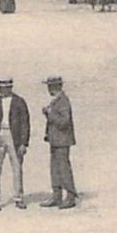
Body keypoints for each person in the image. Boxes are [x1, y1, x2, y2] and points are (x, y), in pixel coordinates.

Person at [0, 77, 29, 211]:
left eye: (5, 88)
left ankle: (19, 198)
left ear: (10, 88)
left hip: (14, 138)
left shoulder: (19, 102)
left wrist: (23, 144)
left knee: (17, 168)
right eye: (1, 88)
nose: (2, 91)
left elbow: (25, 124)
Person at [40, 76, 77, 210]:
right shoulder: (57, 100)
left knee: (63, 168)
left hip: (62, 141)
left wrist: (50, 113)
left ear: (55, 87)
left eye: (50, 86)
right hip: (55, 140)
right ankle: (57, 196)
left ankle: (70, 196)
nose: (48, 89)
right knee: (55, 168)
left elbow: (64, 122)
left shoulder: (63, 101)